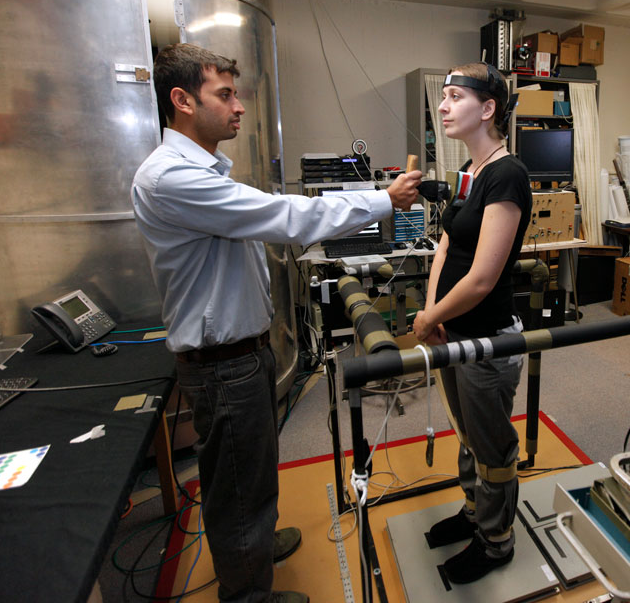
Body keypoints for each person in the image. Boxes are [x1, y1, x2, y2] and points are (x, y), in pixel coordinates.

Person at [131, 43, 421, 603]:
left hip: (243, 354)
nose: (239, 107)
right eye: (224, 94)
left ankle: (253, 548)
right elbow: (285, 216)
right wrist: (381, 199)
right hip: (224, 364)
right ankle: (247, 594)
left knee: (250, 474)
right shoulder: (172, 178)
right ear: (181, 100)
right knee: (237, 485)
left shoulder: (200, 171)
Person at [412, 62, 532, 584]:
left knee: (491, 447)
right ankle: (473, 512)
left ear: (488, 109)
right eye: (443, 96)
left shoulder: (508, 174)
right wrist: (433, 312)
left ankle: (496, 539)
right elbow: (446, 245)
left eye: (454, 96)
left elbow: (483, 278)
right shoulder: (470, 173)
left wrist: (430, 317)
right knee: (467, 435)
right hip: (454, 334)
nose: (443, 106)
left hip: (487, 340)